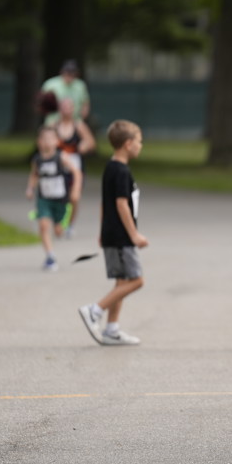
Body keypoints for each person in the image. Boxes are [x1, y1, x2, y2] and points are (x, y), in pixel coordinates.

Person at [78, 120, 147, 346]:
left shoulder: (111, 167)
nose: (141, 146)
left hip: (112, 234)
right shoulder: (121, 171)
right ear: (128, 144)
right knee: (137, 281)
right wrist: (134, 235)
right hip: (121, 237)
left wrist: (102, 230)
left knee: (121, 282)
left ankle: (112, 330)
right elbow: (120, 204)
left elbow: (104, 203)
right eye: (139, 141)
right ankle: (94, 311)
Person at [25, 126, 82, 271]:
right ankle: (50, 256)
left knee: (58, 231)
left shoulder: (61, 157)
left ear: (57, 141)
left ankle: (64, 226)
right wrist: (30, 188)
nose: (47, 142)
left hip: (61, 199)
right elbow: (34, 175)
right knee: (44, 225)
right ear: (38, 141)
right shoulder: (37, 160)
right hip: (44, 199)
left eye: (50, 139)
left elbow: (77, 172)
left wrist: (75, 190)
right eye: (44, 139)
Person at [55, 97, 96, 237]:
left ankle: (70, 225)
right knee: (60, 198)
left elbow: (91, 143)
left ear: (73, 109)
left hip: (76, 169)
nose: (66, 110)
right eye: (63, 106)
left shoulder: (79, 126)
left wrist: (84, 146)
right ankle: (59, 222)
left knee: (74, 198)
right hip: (59, 169)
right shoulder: (54, 126)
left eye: (69, 107)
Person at [41, 60, 90, 125]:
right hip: (54, 120)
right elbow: (42, 103)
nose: (69, 75)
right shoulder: (50, 84)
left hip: (74, 122)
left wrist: (82, 119)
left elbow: (85, 103)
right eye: (67, 72)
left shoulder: (80, 85)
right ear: (62, 72)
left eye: (72, 72)